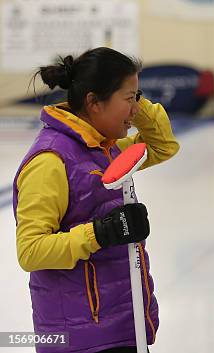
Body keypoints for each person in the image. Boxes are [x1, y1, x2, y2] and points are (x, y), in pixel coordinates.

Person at [12, 47, 180, 353]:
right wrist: (102, 232)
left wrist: (133, 103)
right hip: (80, 339)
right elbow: (31, 251)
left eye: (137, 98)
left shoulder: (106, 149)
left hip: (121, 327)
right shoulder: (50, 160)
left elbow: (162, 146)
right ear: (93, 102)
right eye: (129, 100)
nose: (134, 109)